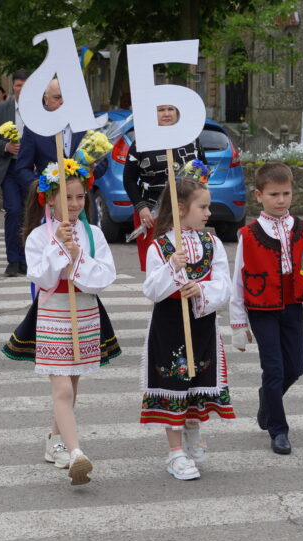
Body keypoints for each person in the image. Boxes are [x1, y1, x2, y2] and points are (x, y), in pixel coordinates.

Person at [2, 162, 120, 485]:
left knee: (74, 383)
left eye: (80, 197)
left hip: (85, 311)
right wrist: (59, 250)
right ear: (49, 199)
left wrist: (78, 254)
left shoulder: (94, 234)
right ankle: (77, 453)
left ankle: (55, 439)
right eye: (67, 197)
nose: (75, 204)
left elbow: (105, 276)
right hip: (53, 311)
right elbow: (39, 275)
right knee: (62, 385)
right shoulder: (39, 236)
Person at [141, 170, 234, 480]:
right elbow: (152, 289)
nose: (209, 213)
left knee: (197, 381)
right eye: (203, 207)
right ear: (181, 209)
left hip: (202, 325)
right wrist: (172, 268)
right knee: (173, 386)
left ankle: (193, 429)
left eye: (208, 207)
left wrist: (202, 290)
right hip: (169, 329)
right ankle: (174, 452)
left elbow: (224, 284)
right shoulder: (160, 248)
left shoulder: (213, 244)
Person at [230, 162, 303, 455]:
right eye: (273, 194)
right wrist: (238, 323)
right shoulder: (248, 233)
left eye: (285, 193)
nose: (281, 200)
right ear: (259, 195)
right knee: (273, 368)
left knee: (295, 367)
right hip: (261, 307)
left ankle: (267, 401)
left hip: (292, 305)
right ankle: (278, 429)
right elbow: (238, 280)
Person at [123, 104, 205, 271]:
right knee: (157, 266)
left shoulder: (192, 140)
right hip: (151, 213)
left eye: (170, 109)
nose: (166, 114)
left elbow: (203, 172)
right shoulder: (142, 142)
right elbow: (129, 179)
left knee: (187, 264)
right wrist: (141, 207)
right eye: (161, 110)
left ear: (177, 112)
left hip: (186, 213)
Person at [15, 78, 108, 224]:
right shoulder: (35, 129)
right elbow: (21, 169)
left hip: (82, 208)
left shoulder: (85, 124)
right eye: (57, 97)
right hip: (47, 210)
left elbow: (103, 162)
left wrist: (88, 173)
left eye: (67, 97)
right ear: (46, 100)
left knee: (85, 247)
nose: (63, 102)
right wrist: (42, 188)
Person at [0, 69, 30, 277]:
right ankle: (13, 259)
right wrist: (6, 147)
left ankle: (27, 259)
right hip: (9, 168)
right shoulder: (1, 109)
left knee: (30, 214)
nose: (22, 89)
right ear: (13, 86)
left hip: (31, 169)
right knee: (13, 211)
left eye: (25, 85)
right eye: (19, 85)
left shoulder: (40, 111)